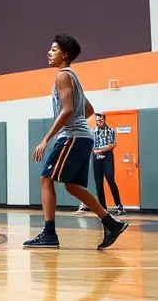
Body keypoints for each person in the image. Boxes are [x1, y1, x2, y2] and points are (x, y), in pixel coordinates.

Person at [24, 34, 128, 251]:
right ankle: (110, 223)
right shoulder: (73, 76)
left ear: (65, 54)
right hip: (83, 136)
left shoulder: (62, 76)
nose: (49, 53)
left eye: (53, 49)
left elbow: (69, 109)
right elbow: (88, 110)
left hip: (72, 136)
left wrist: (45, 139)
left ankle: (49, 233)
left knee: (45, 178)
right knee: (71, 185)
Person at [90, 114, 124, 215]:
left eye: (100, 120)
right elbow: (91, 144)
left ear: (104, 120)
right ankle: (103, 208)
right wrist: (94, 151)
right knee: (98, 184)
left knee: (110, 179)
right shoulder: (92, 132)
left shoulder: (110, 130)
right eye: (97, 120)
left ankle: (119, 205)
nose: (99, 121)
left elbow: (113, 144)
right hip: (96, 159)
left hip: (107, 157)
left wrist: (101, 150)